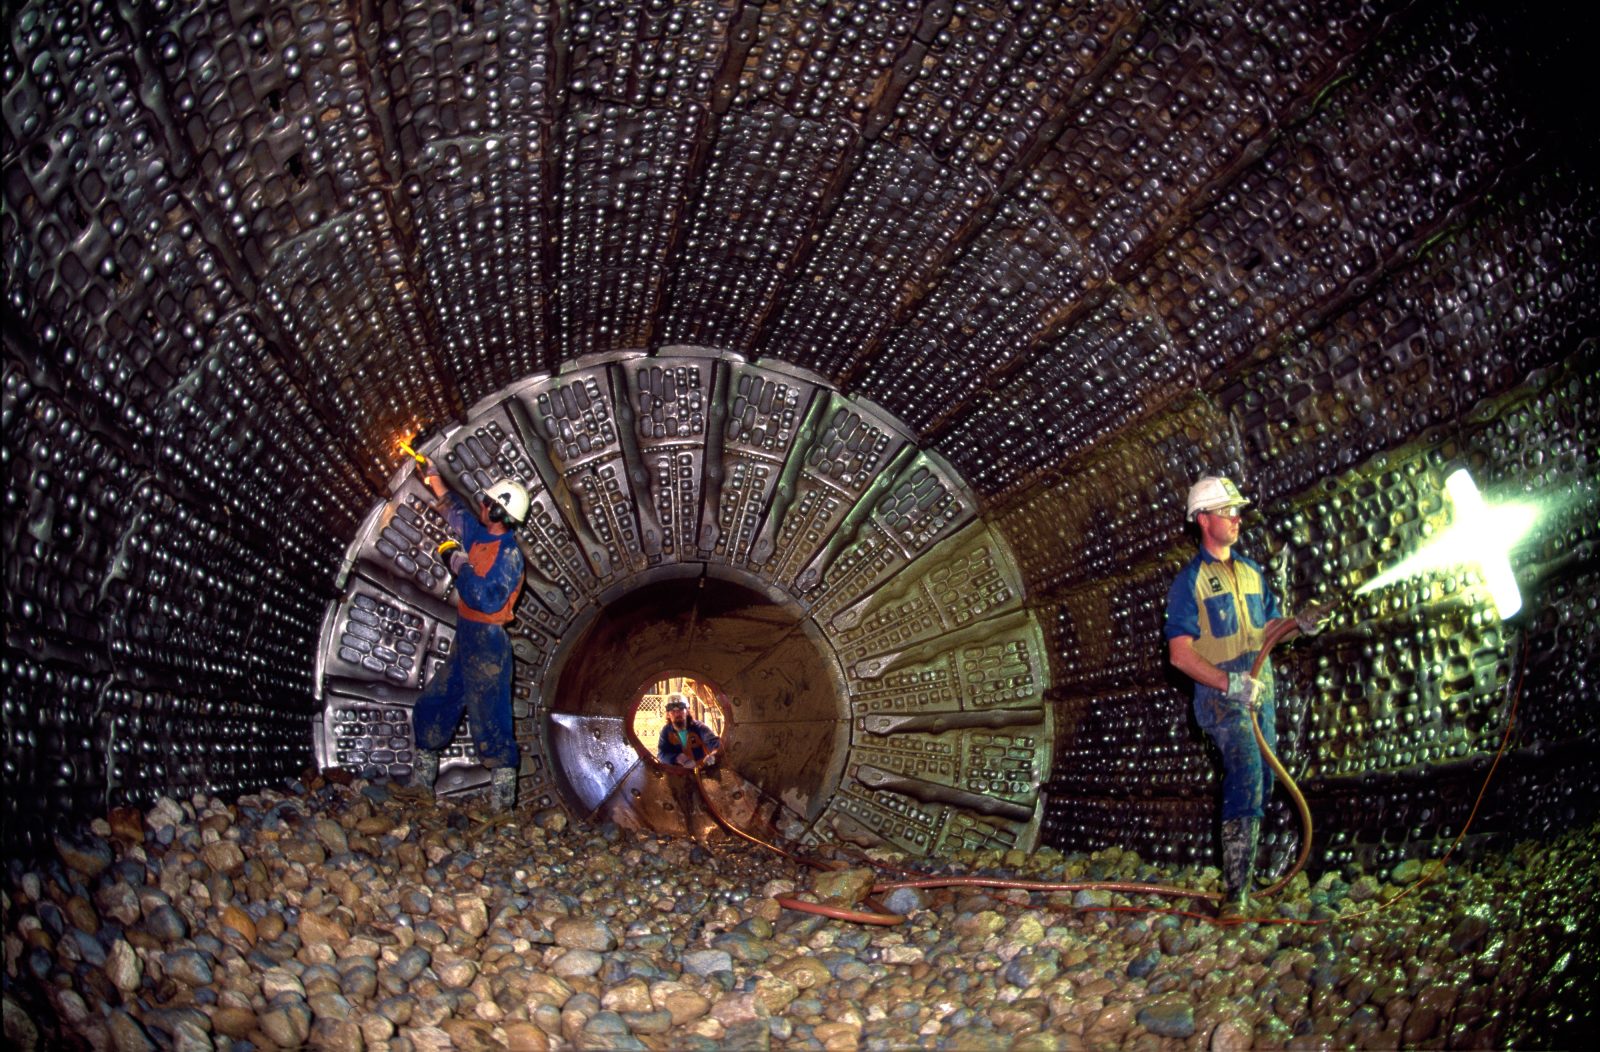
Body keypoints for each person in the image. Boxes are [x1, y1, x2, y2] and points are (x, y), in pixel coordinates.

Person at [1164, 475, 1326, 917]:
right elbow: (1180, 655)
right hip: (1223, 697)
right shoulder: (1190, 582)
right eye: (1226, 511)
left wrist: (1300, 624)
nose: (1236, 518)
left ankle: (1244, 876)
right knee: (1248, 773)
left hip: (1261, 693)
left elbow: (1271, 631)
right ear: (1202, 520)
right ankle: (1236, 897)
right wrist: (1228, 683)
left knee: (1265, 781)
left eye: (1236, 510)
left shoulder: (1252, 573)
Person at [410, 461, 530, 812]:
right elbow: (457, 514)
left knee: (491, 718)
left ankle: (502, 806)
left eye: (487, 501)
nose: (481, 504)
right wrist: (435, 481)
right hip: (468, 638)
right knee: (435, 703)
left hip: (488, 643)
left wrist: (456, 562)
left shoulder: (508, 555)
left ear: (497, 509)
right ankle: (421, 784)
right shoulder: (481, 536)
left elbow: (486, 597)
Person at [656, 694, 721, 770]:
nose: (677, 714)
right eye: (673, 711)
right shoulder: (666, 731)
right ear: (668, 714)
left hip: (703, 771)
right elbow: (661, 754)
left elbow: (715, 743)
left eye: (680, 710)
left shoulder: (699, 727)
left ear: (687, 711)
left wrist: (713, 755)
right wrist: (677, 758)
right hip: (679, 775)